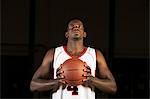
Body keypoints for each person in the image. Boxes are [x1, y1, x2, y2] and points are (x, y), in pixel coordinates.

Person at [30, 19, 117, 99]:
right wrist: (55, 82)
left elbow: (112, 87)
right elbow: (33, 85)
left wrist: (92, 79)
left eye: (79, 26)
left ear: (84, 34)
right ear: (66, 34)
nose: (76, 27)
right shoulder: (53, 53)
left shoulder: (95, 54)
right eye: (72, 26)